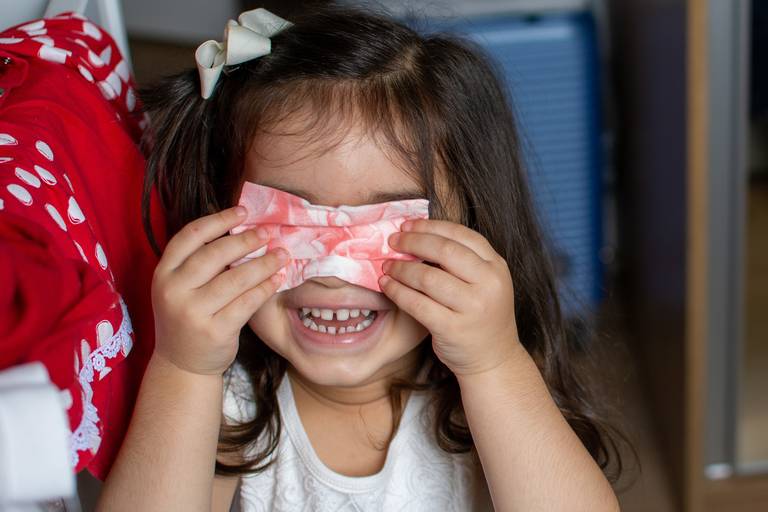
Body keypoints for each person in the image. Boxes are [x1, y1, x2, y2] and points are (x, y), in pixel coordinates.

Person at [98, 4, 625, 510]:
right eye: (292, 221)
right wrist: (181, 369)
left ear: (472, 227)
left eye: (383, 223)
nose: (331, 271)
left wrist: (496, 365)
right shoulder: (228, 401)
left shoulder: (485, 386)